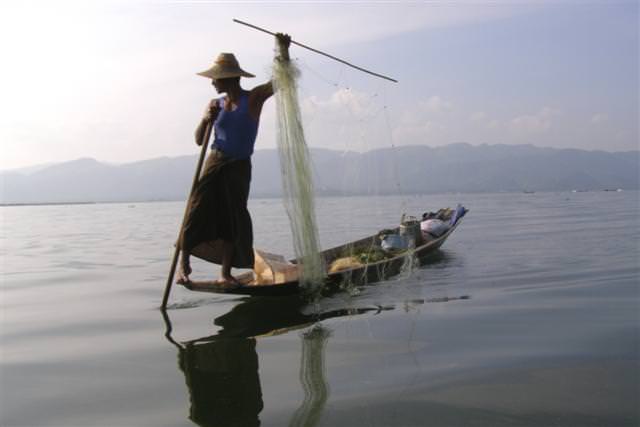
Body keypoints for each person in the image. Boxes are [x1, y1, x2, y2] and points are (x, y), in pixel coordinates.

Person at [177, 33, 291, 285]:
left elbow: (279, 82)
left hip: (238, 166)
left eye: (215, 79)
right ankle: (183, 264)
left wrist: (283, 51)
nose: (212, 83)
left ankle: (225, 274)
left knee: (232, 217)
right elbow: (199, 139)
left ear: (228, 78)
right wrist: (206, 118)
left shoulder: (252, 99)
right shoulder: (214, 104)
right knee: (196, 210)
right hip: (214, 162)